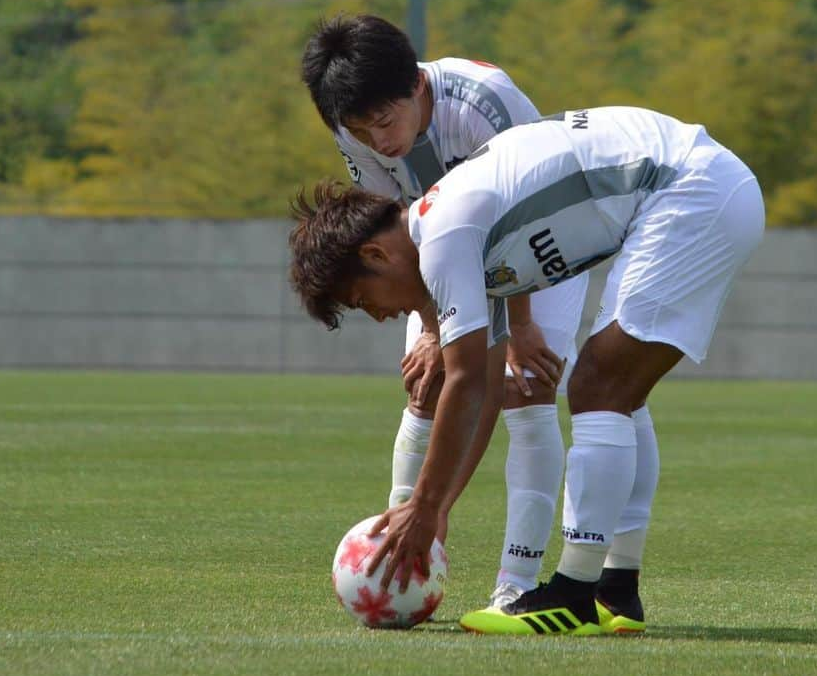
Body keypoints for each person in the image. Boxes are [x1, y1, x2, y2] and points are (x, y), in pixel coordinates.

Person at [289, 105, 764, 636]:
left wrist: (424, 508)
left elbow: (465, 380)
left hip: (690, 191)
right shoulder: (450, 237)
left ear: (376, 253)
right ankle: (616, 591)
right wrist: (437, 508)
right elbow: (485, 389)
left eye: (362, 299)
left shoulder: (444, 237)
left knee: (598, 386)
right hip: (703, 187)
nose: (380, 315)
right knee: (618, 393)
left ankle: (574, 594)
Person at [301, 14, 614, 611]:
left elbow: (524, 215)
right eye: (361, 132)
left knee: (524, 387)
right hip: (438, 243)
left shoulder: (486, 102)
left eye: (386, 123)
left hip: (540, 244)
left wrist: (520, 328)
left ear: (417, 87)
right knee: (427, 382)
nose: (379, 142)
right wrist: (433, 325)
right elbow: (387, 221)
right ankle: (399, 543)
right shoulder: (355, 126)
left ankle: (516, 584)